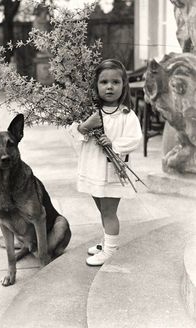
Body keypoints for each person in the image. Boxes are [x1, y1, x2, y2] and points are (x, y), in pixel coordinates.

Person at [69, 59, 142, 266]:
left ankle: (110, 250)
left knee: (109, 211)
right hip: (93, 169)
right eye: (104, 82)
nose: (109, 86)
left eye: (115, 82)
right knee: (102, 209)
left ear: (123, 85)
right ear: (96, 85)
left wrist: (114, 144)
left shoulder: (126, 115)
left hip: (110, 172)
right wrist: (85, 126)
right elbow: (74, 135)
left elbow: (134, 138)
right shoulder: (89, 112)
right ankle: (107, 241)